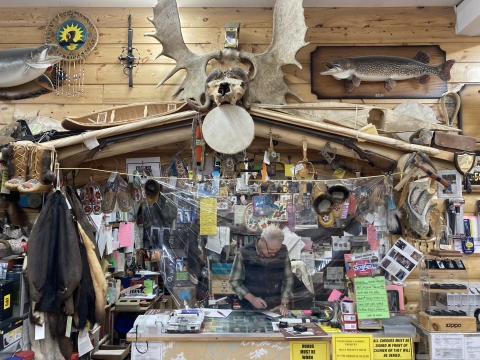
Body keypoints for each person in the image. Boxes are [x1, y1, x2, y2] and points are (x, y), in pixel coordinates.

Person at [229, 226, 293, 316]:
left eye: (276, 251)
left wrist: (284, 304)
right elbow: (234, 281)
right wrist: (251, 298)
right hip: (250, 307)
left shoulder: (283, 251)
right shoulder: (244, 253)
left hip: (276, 307)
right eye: (270, 250)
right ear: (262, 240)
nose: (273, 254)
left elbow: (288, 279)